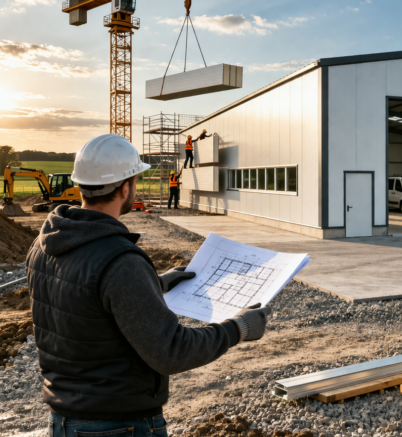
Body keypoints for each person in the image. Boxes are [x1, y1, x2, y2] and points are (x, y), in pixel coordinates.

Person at [27, 134, 271, 436]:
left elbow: (84, 299)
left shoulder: (43, 245)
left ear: (81, 184)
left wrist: (154, 283)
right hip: (117, 425)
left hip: (62, 420)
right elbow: (171, 351)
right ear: (126, 186)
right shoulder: (119, 260)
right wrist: (238, 329)